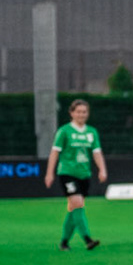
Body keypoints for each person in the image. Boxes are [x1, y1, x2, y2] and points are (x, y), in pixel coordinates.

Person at [44, 98, 107, 249]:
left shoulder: (91, 132)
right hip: (67, 173)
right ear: (71, 113)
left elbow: (97, 152)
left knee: (74, 208)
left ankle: (64, 242)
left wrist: (102, 169)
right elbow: (54, 153)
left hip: (84, 174)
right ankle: (87, 239)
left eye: (84, 112)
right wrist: (49, 173)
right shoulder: (64, 131)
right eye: (78, 112)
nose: (82, 115)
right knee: (77, 203)